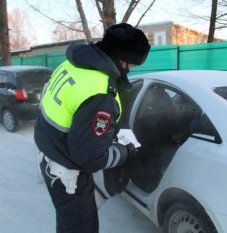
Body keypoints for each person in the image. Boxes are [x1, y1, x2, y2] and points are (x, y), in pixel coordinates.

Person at [34, 23, 150, 233]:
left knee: (68, 223)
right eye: (131, 65)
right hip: (67, 174)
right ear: (122, 61)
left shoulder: (72, 65)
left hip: (49, 151)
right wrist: (124, 152)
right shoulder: (100, 94)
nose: (130, 70)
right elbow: (89, 157)